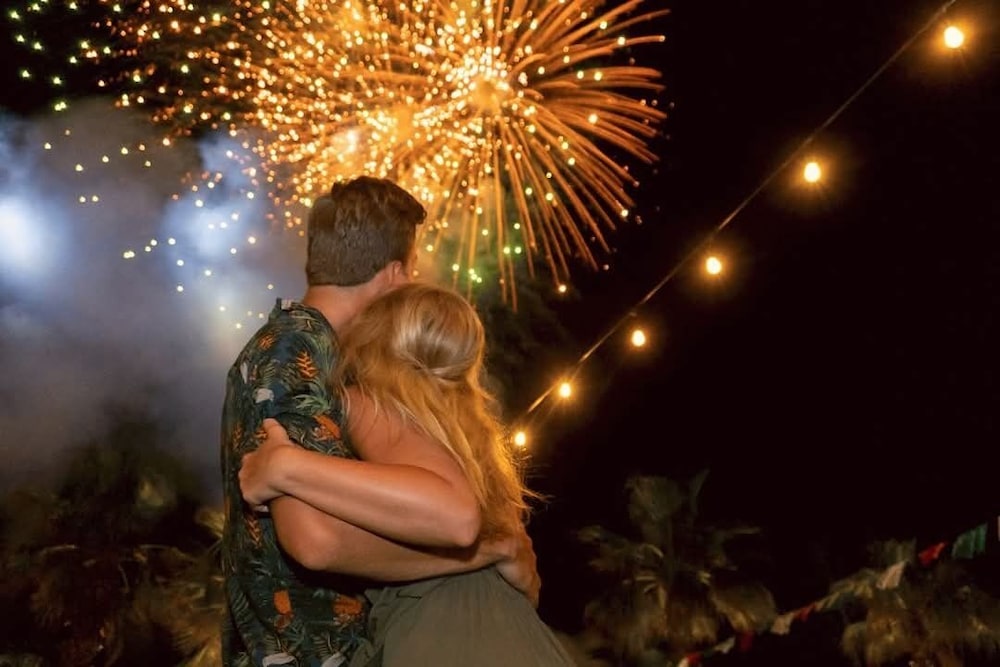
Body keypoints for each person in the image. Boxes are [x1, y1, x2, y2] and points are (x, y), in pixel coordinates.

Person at [220, 176, 538, 667]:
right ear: (392, 274)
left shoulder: (323, 353)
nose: (412, 281)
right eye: (412, 268)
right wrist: (485, 551)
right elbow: (315, 540)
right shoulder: (294, 351)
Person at [239, 282, 576, 666]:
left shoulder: (375, 401)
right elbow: (527, 583)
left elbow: (456, 517)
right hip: (527, 643)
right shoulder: (476, 442)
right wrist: (491, 549)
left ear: (374, 335)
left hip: (447, 639)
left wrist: (286, 466)